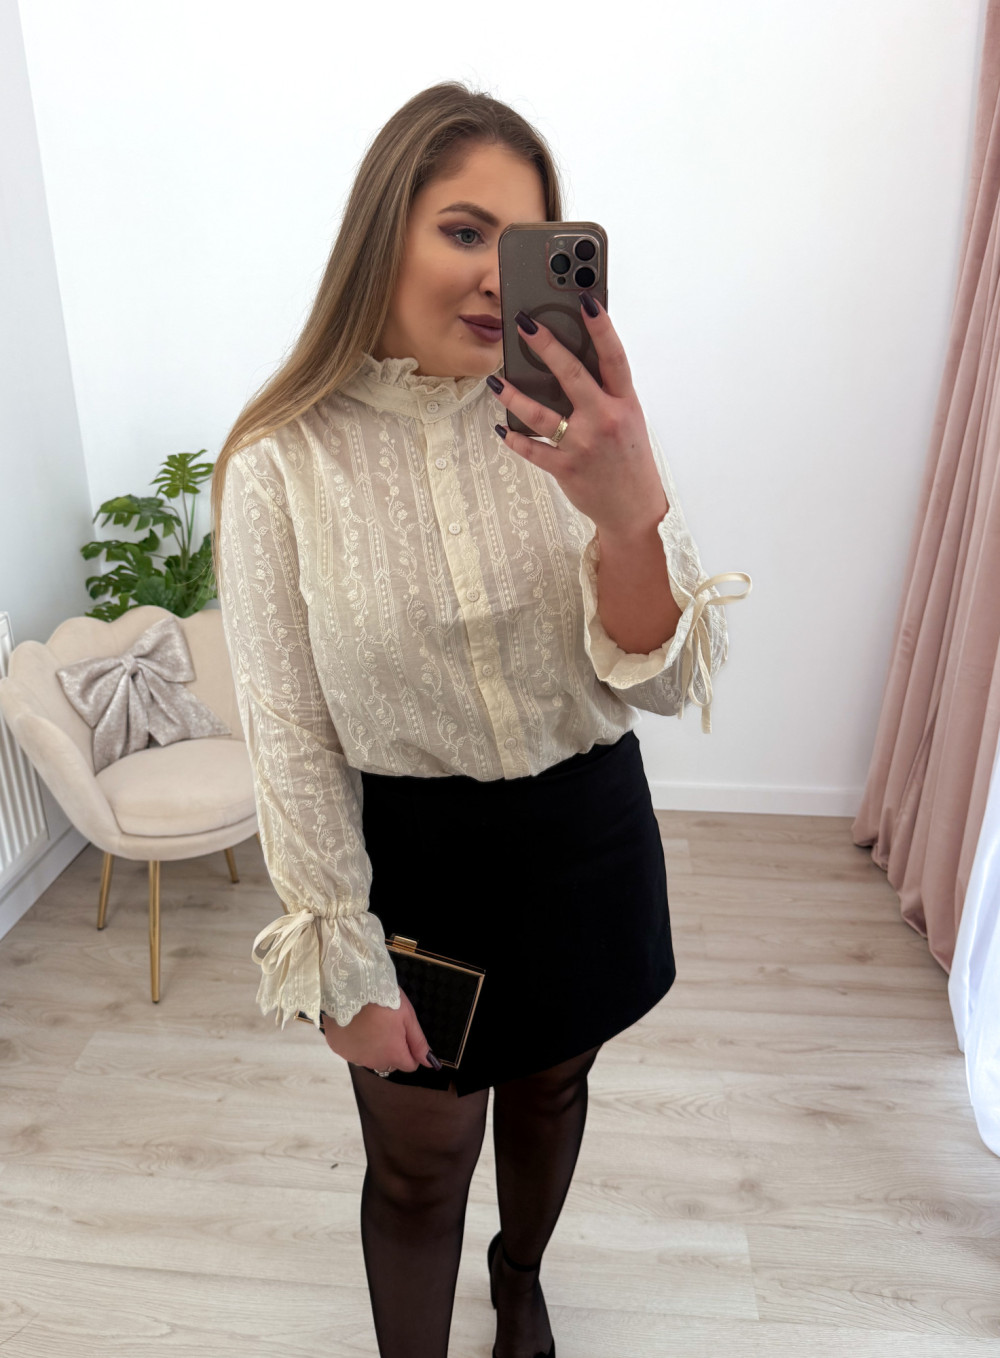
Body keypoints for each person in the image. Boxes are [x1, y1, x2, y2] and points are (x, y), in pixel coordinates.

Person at [214, 81, 748, 1358]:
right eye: (464, 231)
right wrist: (339, 947)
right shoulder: (283, 460)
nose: (494, 279)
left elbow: (658, 681)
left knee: (555, 1084)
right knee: (418, 1160)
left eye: (522, 247)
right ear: (382, 233)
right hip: (412, 863)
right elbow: (289, 733)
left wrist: (628, 508)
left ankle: (520, 1281)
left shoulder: (582, 428)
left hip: (584, 830)